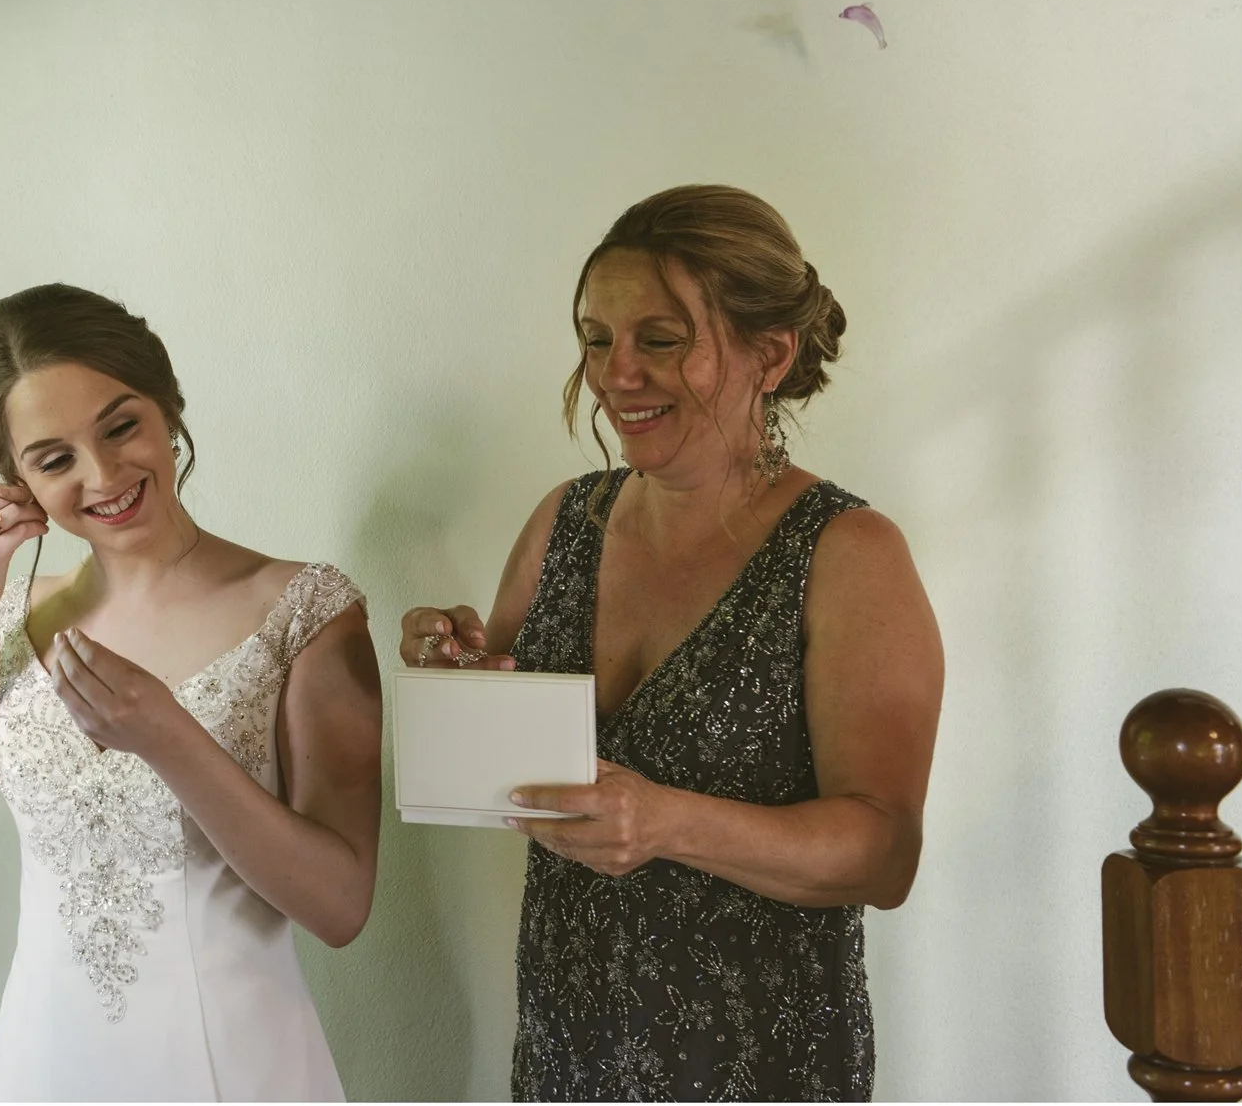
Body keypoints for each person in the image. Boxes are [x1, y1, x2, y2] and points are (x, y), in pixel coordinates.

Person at [400, 186, 942, 1102]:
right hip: (567, 1052)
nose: (616, 376)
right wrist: (456, 669)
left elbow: (884, 853)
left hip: (758, 1065)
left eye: (659, 340)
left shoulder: (848, 553)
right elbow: (514, 762)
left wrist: (668, 821)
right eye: (596, 338)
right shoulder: (562, 520)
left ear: (769, 354)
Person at [0, 283, 381, 1102]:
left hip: (236, 1067)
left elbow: (341, 907)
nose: (103, 475)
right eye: (55, 458)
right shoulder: (19, 621)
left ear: (167, 405)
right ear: (16, 479)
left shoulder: (304, 609)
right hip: (43, 1063)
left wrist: (170, 737)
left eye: (121, 425)